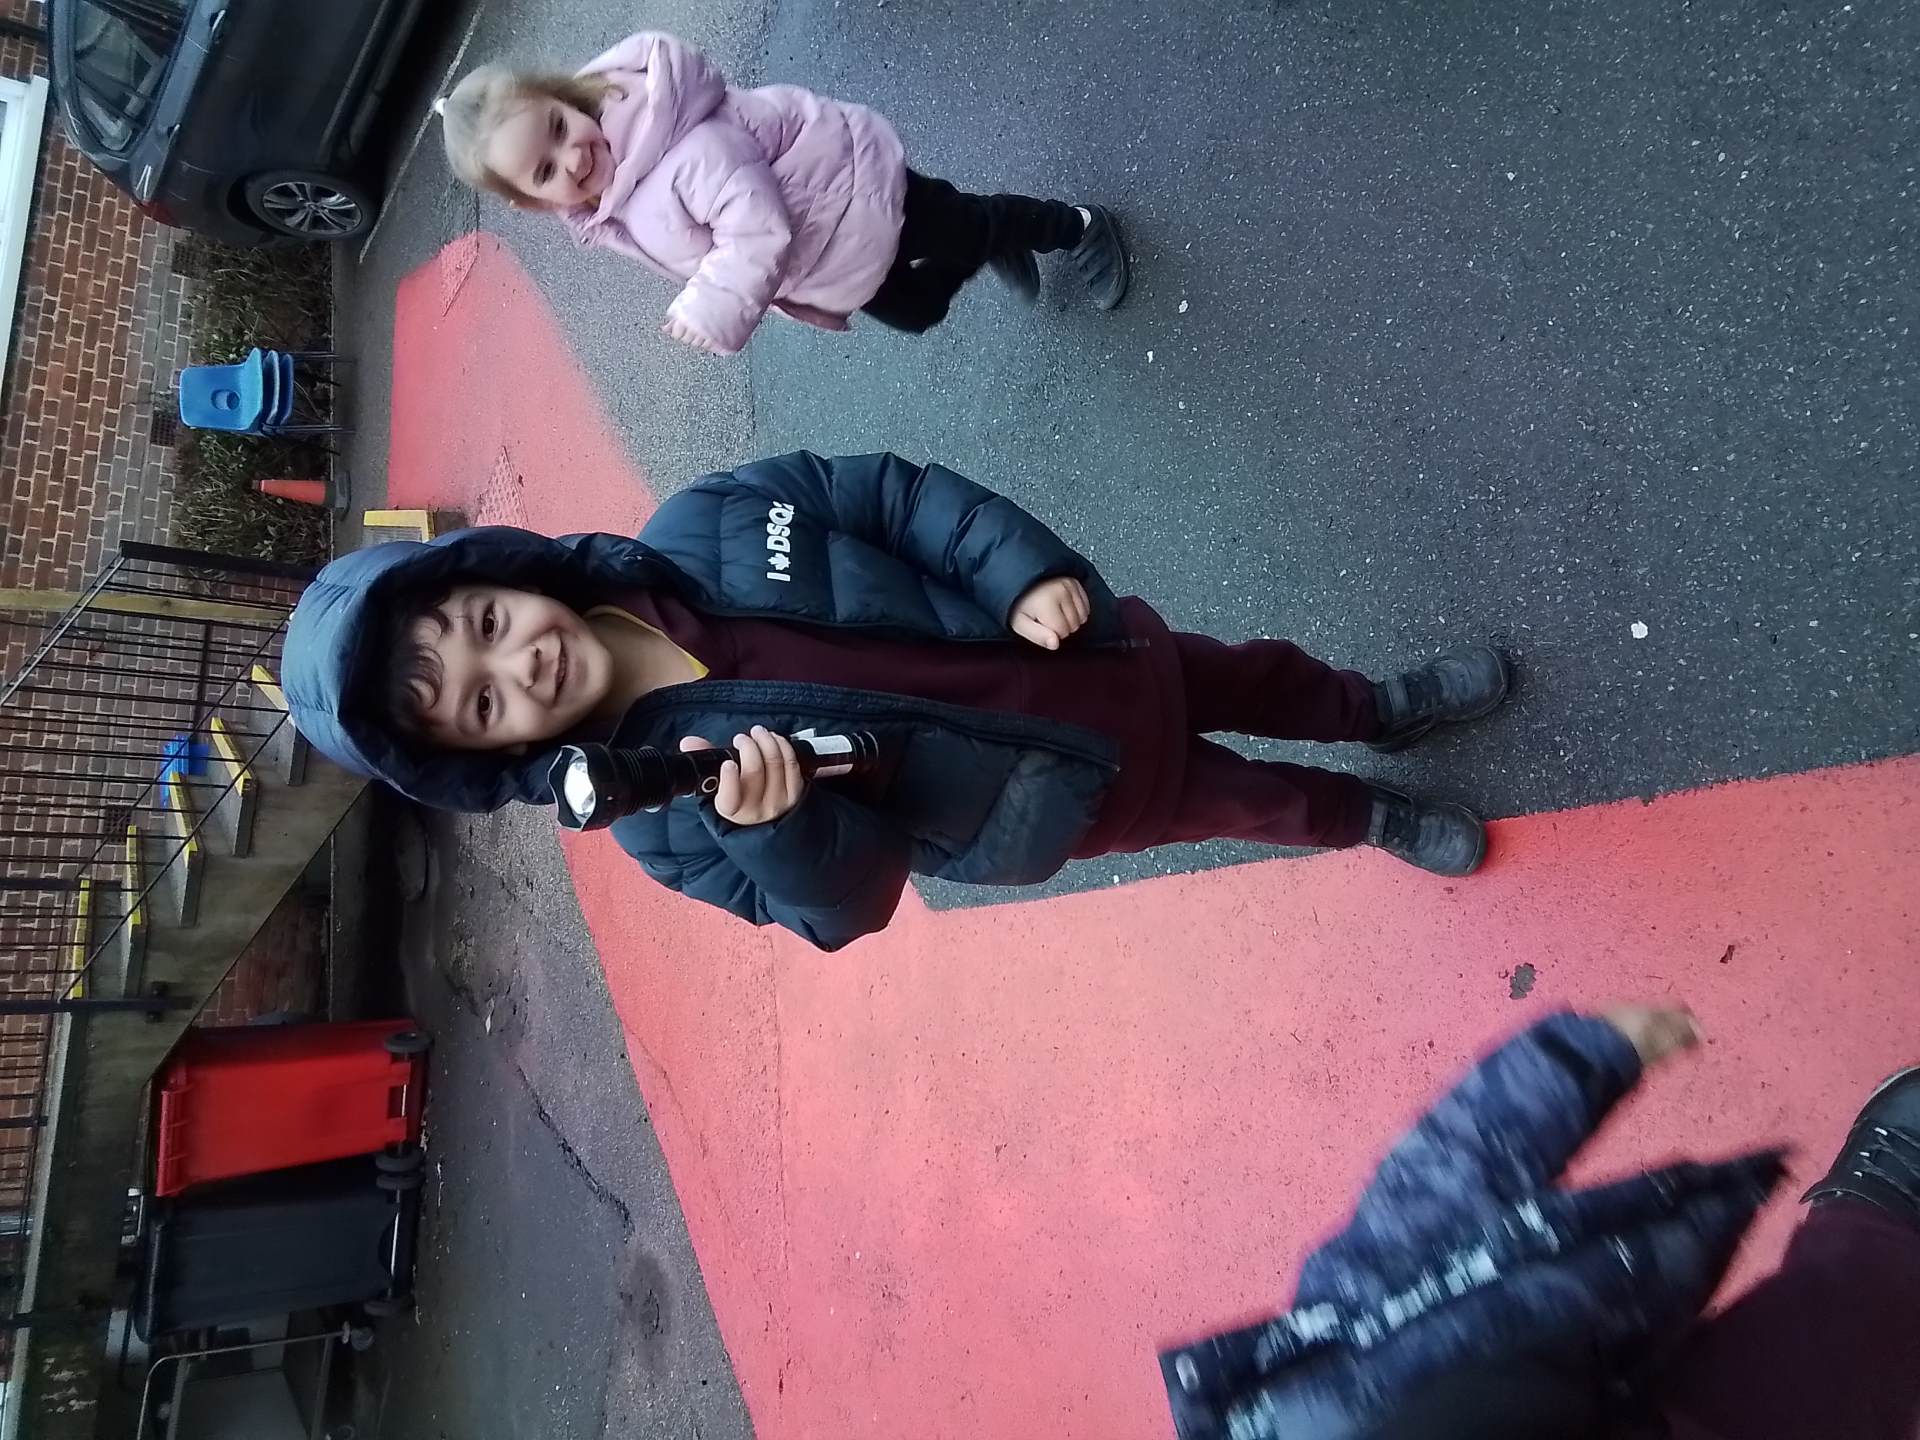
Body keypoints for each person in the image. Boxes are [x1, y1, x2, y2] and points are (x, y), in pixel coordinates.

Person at [282, 452, 1511, 951]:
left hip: (1088, 655)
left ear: (496, 574)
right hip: (1054, 798)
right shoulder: (664, 830)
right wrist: (780, 835)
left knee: (1259, 676)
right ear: (485, 757)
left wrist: (1019, 570)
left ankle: (1376, 706)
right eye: (480, 707)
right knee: (1246, 801)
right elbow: (848, 906)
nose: (518, 667)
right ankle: (1365, 816)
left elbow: (890, 498)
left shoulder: (700, 526)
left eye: (486, 628)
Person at [1157, 1008, 1920, 1440]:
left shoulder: (1304, 1411)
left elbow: (1413, 1217)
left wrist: (1572, 1065)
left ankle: (1878, 1229)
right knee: (1851, 1362)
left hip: (1545, 1370)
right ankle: (1885, 1232)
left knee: (1846, 1316)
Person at [436, 32, 1130, 352]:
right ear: (533, 203)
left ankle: (1076, 226)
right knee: (920, 312)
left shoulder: (672, 147)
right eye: (545, 171)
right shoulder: (610, 204)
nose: (573, 157)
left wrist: (716, 302)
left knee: (970, 223)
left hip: (858, 192)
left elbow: (755, 224)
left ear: (563, 97)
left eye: (560, 127)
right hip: (829, 254)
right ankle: (987, 243)